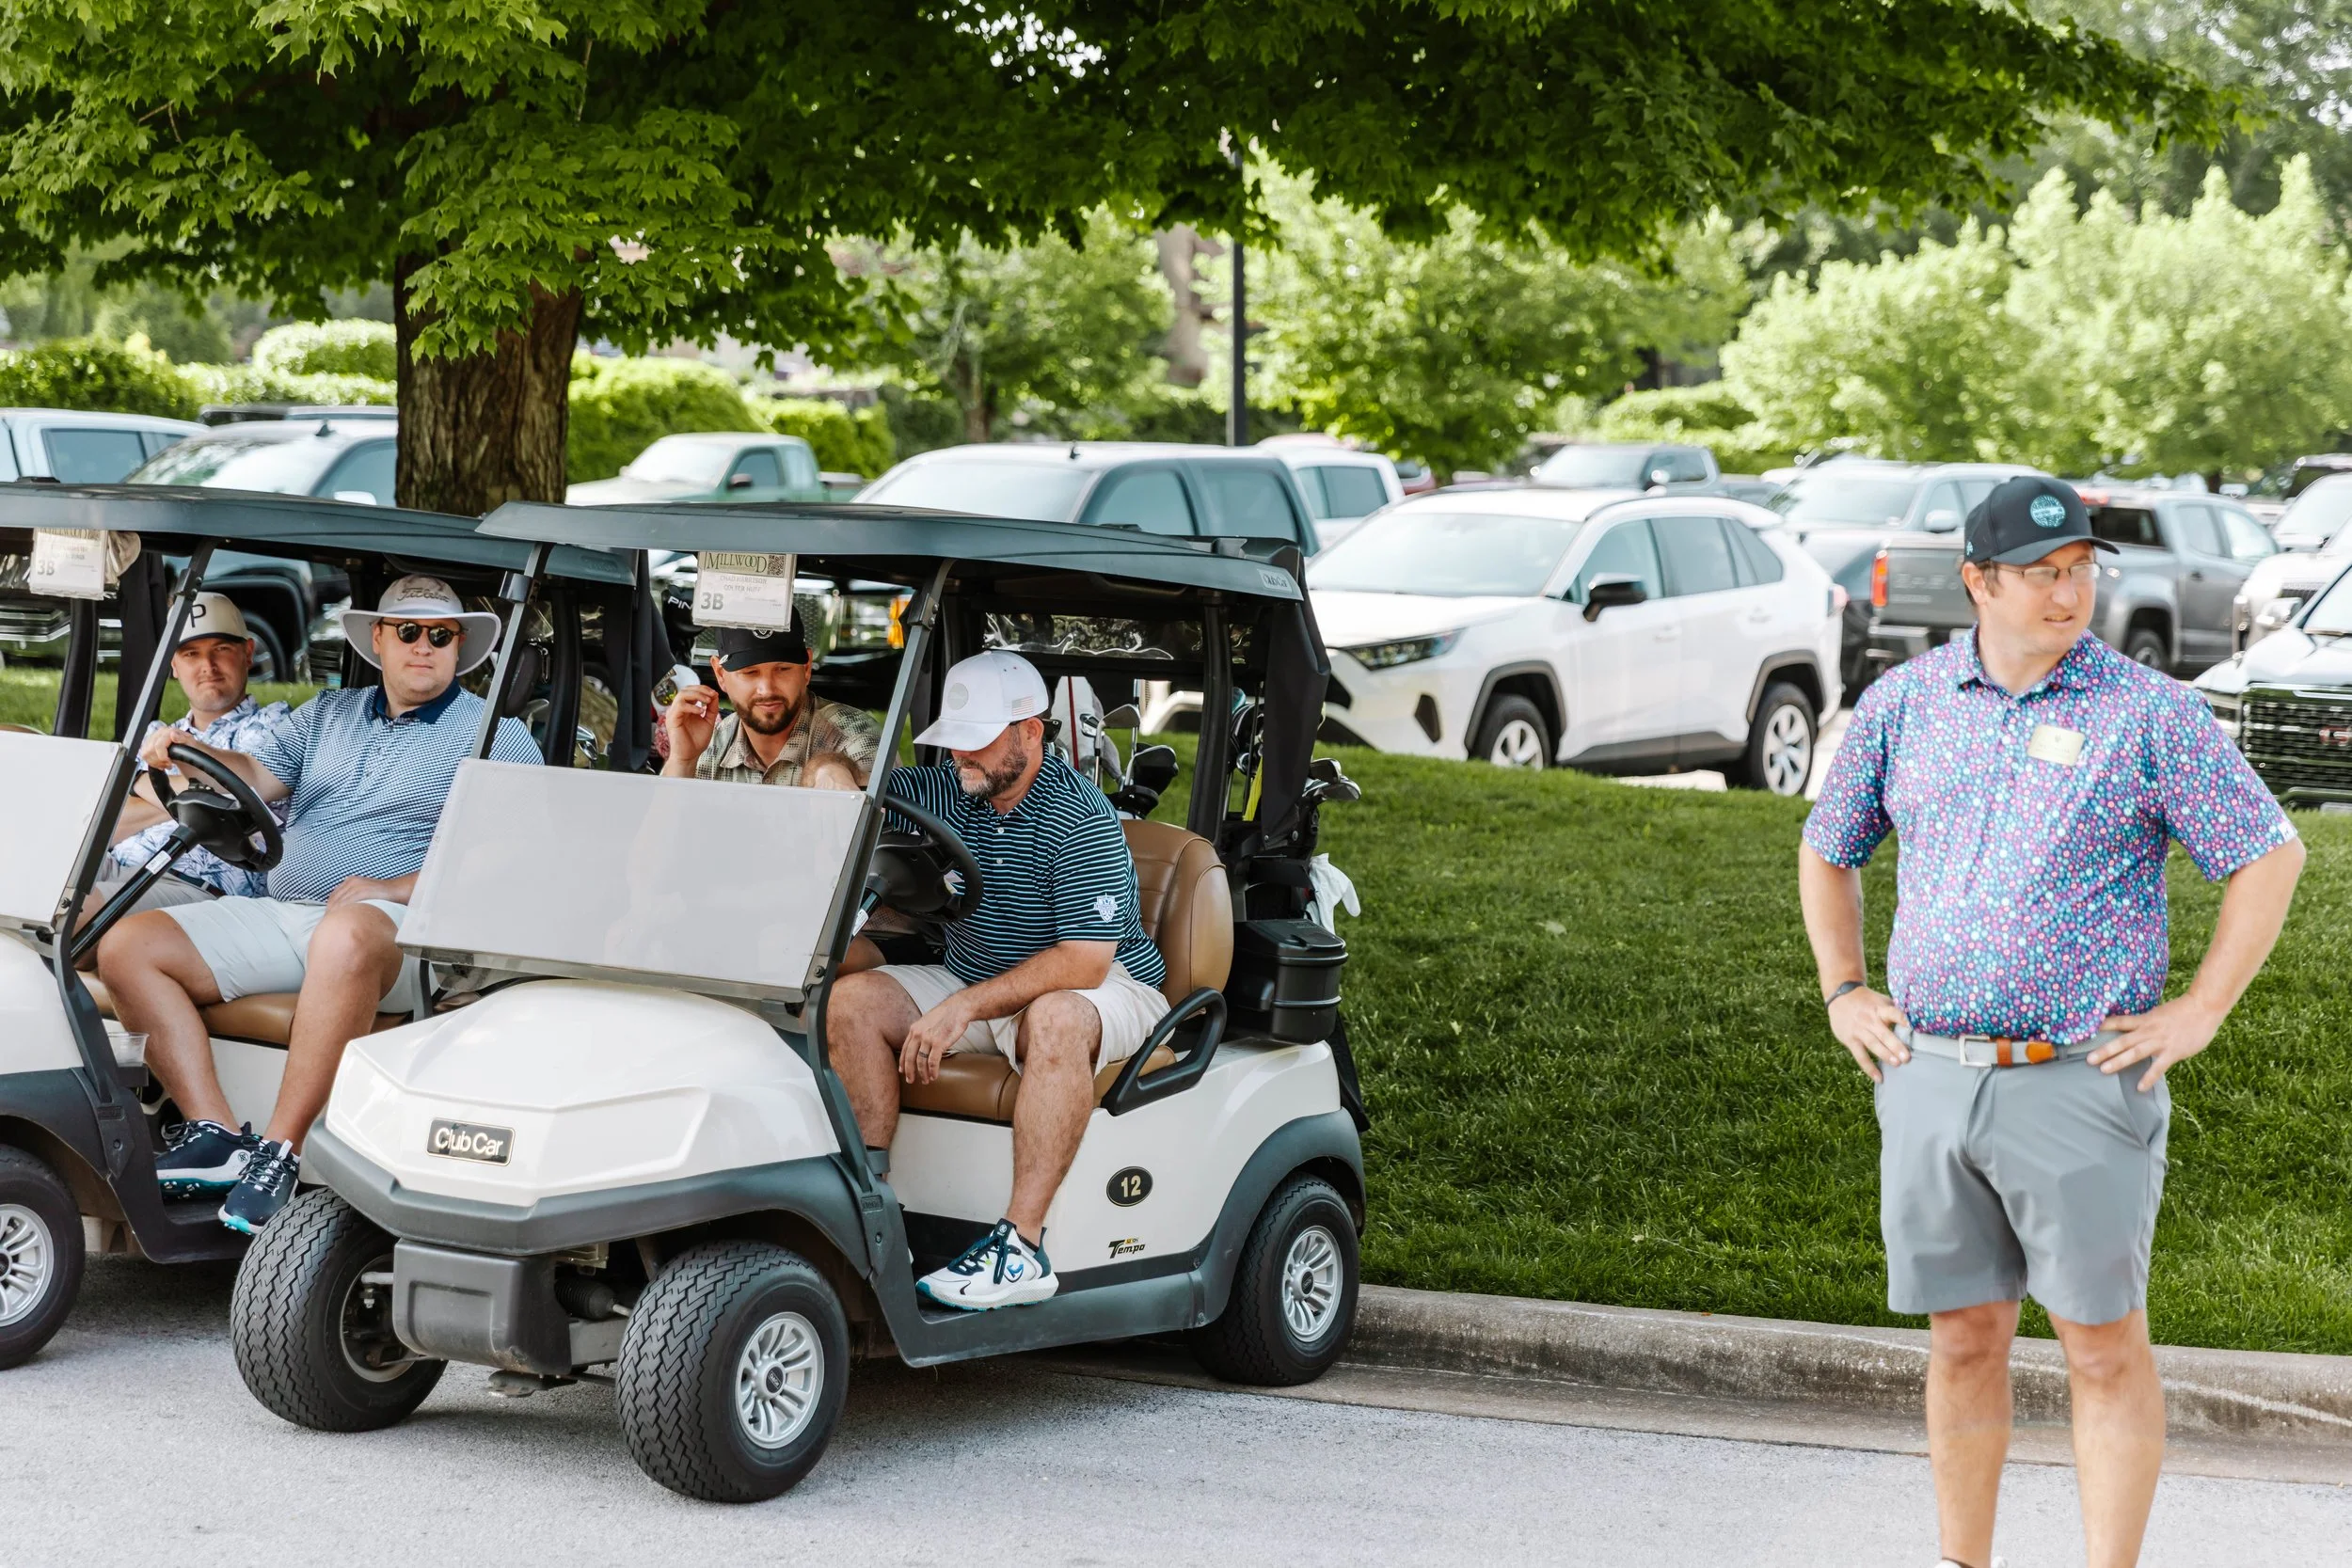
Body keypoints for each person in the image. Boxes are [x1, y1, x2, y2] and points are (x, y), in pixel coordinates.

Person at [1797, 476, 2305, 1568]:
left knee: (2102, 1350)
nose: (2067, 592)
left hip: (2078, 1076)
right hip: (1927, 1073)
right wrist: (1843, 988)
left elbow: (2270, 854)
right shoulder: (1903, 700)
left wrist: (2200, 1010)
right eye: (2041, 573)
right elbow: (1827, 845)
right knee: (1964, 1337)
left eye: (2080, 569)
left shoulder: (2149, 714)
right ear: (1977, 580)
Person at [97, 576, 542, 1233]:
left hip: (403, 928)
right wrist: (191, 753)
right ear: (381, 640)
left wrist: (390, 889)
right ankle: (217, 1132)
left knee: (345, 933)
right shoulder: (328, 713)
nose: (425, 647)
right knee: (127, 945)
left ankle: (281, 1147)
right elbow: (251, 777)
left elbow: (511, 854)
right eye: (411, 633)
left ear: (461, 647)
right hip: (294, 914)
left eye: (442, 636)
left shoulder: (494, 733)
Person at [826, 650, 1169, 1310]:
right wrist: (824, 778)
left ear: (1031, 732)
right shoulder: (954, 784)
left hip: (1106, 983)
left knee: (1056, 1018)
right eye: (953, 740)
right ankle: (873, 1217)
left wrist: (961, 1007)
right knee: (851, 1002)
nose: (960, 756)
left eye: (976, 739)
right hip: (979, 976)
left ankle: (1021, 1246)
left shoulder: (1083, 817)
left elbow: (1082, 963)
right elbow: (849, 780)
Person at [93, 593, 291, 913]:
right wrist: (193, 801)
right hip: (115, 867)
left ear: (248, 653)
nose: (207, 667)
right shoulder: (153, 732)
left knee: (75, 912)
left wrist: (140, 782)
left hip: (197, 888)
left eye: (221, 650)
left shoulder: (274, 726)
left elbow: (239, 810)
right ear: (174, 665)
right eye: (191, 654)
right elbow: (101, 824)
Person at [660, 619, 878, 790]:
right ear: (720, 674)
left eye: (783, 669)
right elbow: (657, 842)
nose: (767, 689)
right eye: (750, 673)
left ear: (806, 668)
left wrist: (831, 768)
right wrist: (683, 760)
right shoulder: (710, 747)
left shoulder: (856, 739)